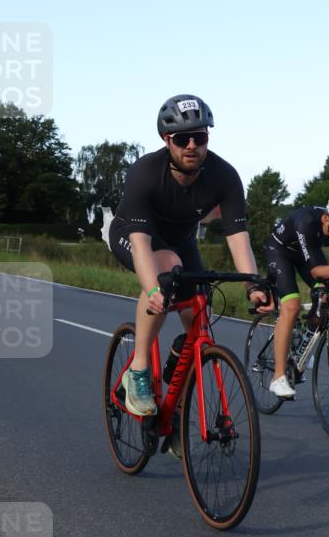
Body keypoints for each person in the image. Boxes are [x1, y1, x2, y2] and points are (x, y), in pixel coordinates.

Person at [110, 94, 272, 416]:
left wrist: (253, 286)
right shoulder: (145, 172)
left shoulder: (224, 175)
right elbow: (141, 243)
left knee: (200, 315)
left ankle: (175, 417)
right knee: (167, 268)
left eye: (200, 137)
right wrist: (153, 289)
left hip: (182, 241)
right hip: (134, 235)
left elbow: (238, 236)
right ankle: (138, 371)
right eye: (182, 138)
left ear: (208, 138)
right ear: (166, 140)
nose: (191, 145)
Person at [264, 192, 329, 399]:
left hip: (307, 254)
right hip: (280, 251)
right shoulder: (307, 220)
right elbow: (317, 271)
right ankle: (278, 378)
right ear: (327, 219)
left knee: (325, 294)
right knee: (292, 306)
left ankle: (302, 344)